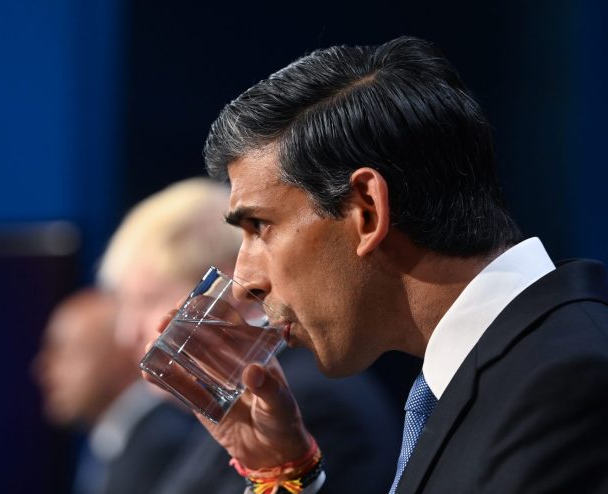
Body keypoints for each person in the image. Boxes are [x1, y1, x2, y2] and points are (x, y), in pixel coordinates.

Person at [146, 36, 608, 493]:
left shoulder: (573, 382)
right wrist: (285, 475)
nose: (243, 281)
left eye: (260, 226)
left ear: (367, 211)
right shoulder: (511, 370)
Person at [97, 177, 401, 493]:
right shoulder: (217, 411)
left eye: (147, 300)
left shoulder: (303, 402)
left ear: (227, 286)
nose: (126, 334)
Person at [33, 289, 195, 494]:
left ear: (119, 353)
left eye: (64, 350)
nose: (44, 369)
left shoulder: (164, 442)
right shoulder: (113, 442)